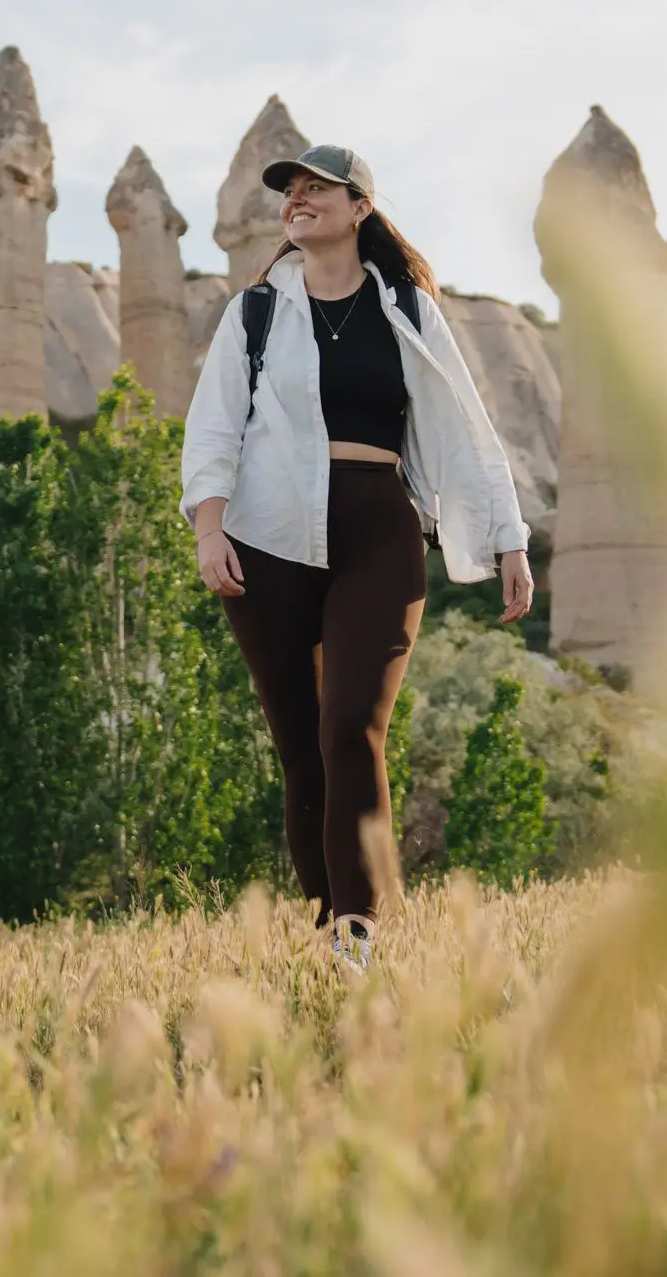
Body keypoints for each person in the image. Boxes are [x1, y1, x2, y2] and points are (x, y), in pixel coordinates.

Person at [181, 144, 533, 971]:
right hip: (267, 539)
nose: (297, 200)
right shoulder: (256, 312)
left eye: (316, 188)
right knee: (300, 744)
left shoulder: (406, 306)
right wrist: (209, 529)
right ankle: (323, 931)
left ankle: (359, 925)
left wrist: (508, 537)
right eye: (289, 192)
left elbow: (464, 425)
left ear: (359, 207)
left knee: (352, 724)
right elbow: (213, 430)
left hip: (379, 526)